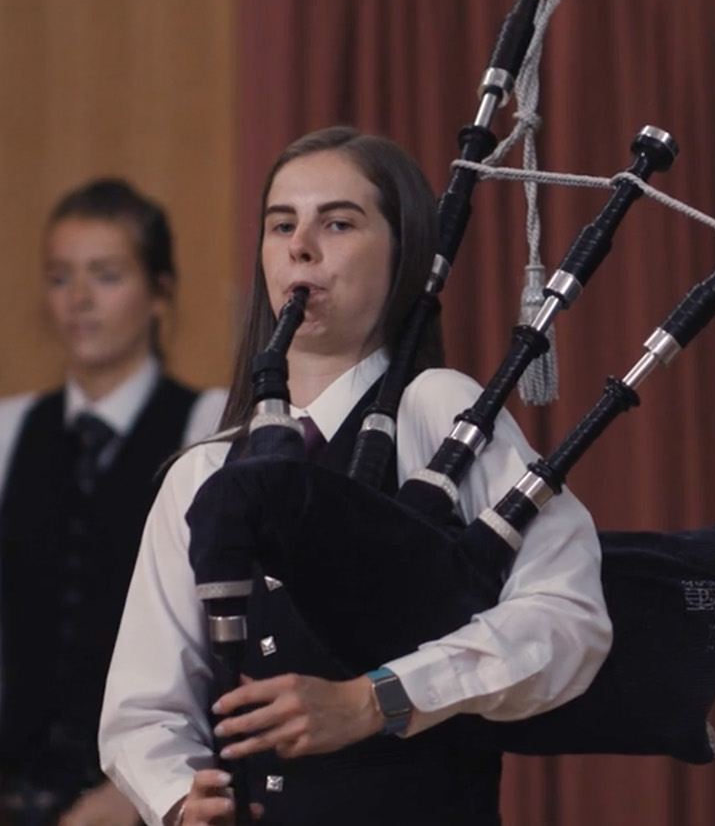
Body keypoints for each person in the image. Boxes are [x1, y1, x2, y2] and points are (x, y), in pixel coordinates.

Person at [97, 127, 610, 826]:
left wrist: (377, 699)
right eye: (282, 225)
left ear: (405, 257)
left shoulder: (441, 411)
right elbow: (143, 708)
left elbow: (567, 619)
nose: (300, 246)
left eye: (337, 222)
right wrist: (181, 800)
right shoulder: (204, 470)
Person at [0, 178, 226, 826]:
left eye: (105, 275)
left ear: (159, 293)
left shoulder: (206, 432)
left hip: (142, 801)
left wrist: (137, 793)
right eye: (59, 277)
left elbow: (218, 645)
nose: (78, 301)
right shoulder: (10, 431)